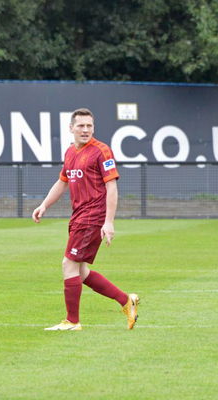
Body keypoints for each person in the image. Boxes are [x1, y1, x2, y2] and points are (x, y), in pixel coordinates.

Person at [32, 108, 139, 331]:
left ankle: (72, 321)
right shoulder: (70, 152)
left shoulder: (101, 151)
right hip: (79, 215)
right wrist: (44, 205)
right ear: (71, 128)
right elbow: (62, 182)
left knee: (68, 264)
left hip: (93, 216)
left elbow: (112, 187)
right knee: (80, 272)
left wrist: (108, 221)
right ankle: (126, 301)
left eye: (89, 125)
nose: (85, 130)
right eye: (81, 125)